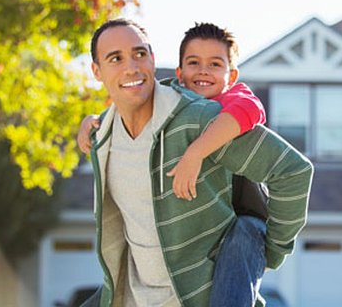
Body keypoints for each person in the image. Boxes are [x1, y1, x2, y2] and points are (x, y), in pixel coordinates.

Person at [83, 18, 313, 307]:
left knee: (246, 232)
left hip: (209, 285)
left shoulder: (204, 118)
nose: (131, 66)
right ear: (96, 71)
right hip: (133, 298)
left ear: (153, 59)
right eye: (115, 58)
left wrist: (274, 251)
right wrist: (90, 124)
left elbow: (293, 171)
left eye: (139, 54)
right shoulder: (103, 136)